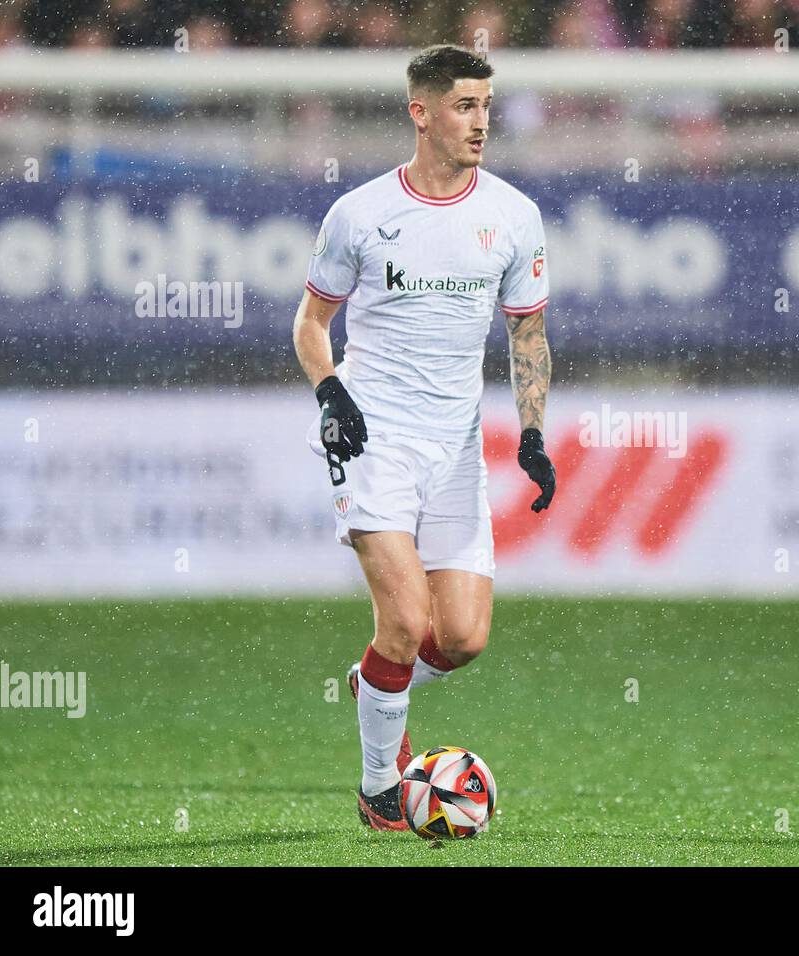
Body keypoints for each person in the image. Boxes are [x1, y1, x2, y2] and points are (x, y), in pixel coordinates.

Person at [291, 44, 556, 830]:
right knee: (404, 623)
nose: (481, 121)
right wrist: (330, 392)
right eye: (465, 106)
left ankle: (377, 680)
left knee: (464, 637)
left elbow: (529, 335)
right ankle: (381, 790)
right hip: (374, 439)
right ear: (421, 112)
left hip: (457, 447)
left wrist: (533, 435)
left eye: (485, 106)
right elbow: (311, 323)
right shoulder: (362, 214)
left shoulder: (512, 214)